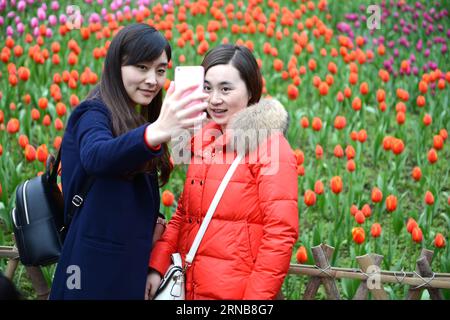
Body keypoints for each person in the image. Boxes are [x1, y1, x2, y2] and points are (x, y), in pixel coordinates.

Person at [49, 23, 208, 300]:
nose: (152, 80)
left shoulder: (135, 119)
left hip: (127, 265)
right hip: (91, 270)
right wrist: (156, 131)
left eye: (160, 70)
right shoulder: (92, 112)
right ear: (116, 65)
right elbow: (96, 156)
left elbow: (122, 190)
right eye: (142, 67)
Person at [146, 44, 298, 300]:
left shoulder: (270, 146)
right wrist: (157, 266)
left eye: (225, 89)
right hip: (190, 288)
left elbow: (280, 233)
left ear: (251, 90)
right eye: (207, 88)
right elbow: (185, 215)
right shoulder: (204, 142)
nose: (214, 99)